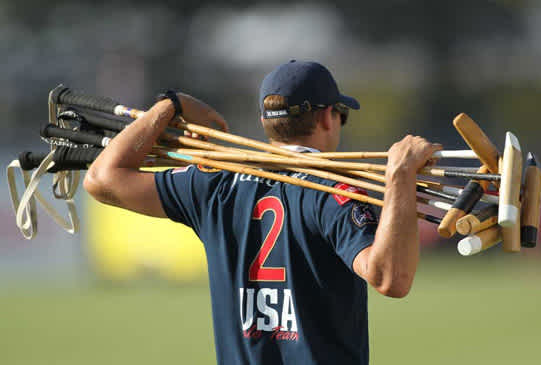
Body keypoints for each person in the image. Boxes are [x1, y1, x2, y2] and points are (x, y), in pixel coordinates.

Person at [84, 60, 441, 364]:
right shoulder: (333, 191)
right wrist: (399, 178)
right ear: (327, 119)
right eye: (340, 114)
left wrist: (170, 106)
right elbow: (391, 279)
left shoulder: (213, 184)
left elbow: (102, 179)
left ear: (265, 122)